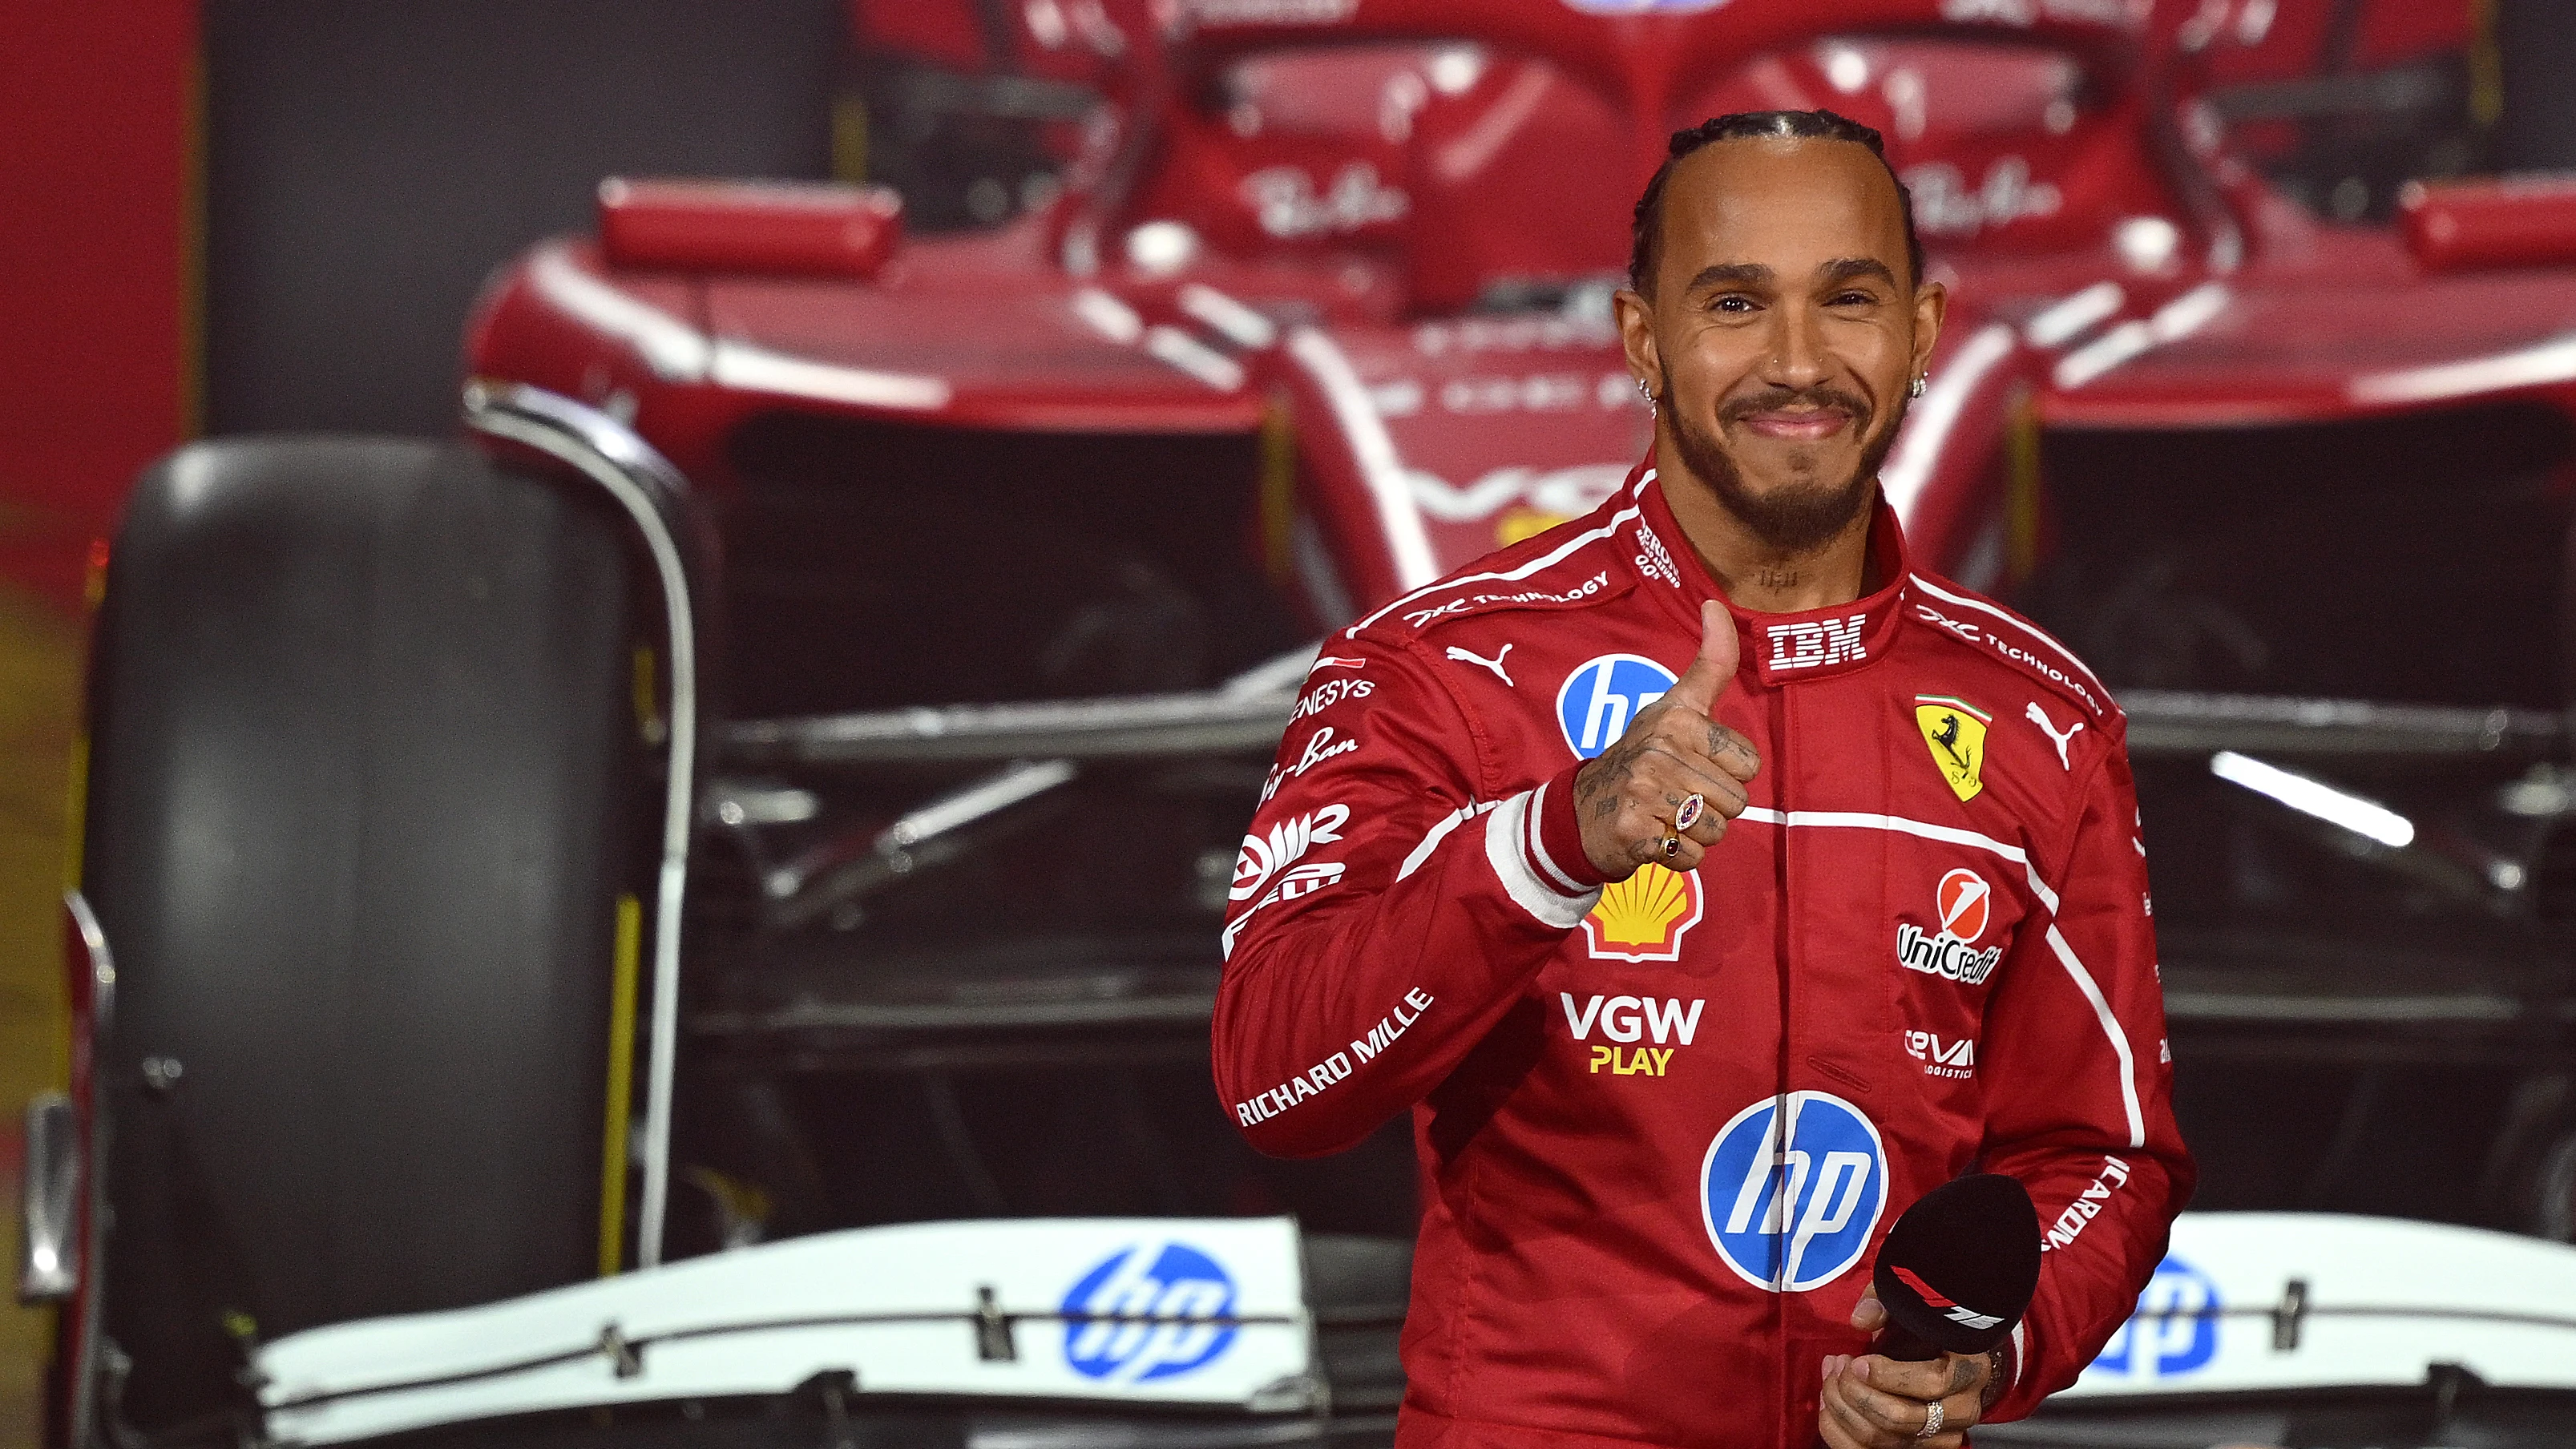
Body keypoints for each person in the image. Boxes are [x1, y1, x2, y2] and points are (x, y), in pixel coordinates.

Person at [1213, 109, 2192, 1449]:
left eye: (1848, 300)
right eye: (1733, 302)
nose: (1797, 361)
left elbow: (2102, 1156)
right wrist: (1551, 844)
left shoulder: (2045, 716)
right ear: (1641, 341)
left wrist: (1983, 1357)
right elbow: (1277, 1078)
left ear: (1918, 331)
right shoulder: (1443, 665)